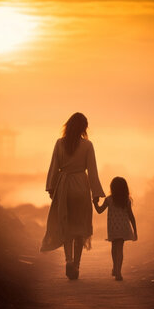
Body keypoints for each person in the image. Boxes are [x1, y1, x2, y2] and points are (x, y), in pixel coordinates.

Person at [40, 112, 105, 280]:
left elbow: (54, 167)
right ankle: (76, 265)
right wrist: (96, 193)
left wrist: (51, 188)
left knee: (66, 225)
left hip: (64, 187)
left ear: (68, 126)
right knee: (80, 228)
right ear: (84, 128)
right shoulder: (88, 145)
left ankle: (68, 260)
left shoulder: (59, 143)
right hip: (81, 188)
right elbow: (92, 171)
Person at [93, 177, 137, 281]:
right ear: (125, 188)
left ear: (112, 188)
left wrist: (95, 202)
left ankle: (115, 268)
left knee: (114, 248)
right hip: (123, 228)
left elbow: (99, 210)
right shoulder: (126, 200)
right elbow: (131, 216)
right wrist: (135, 231)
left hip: (113, 229)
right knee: (120, 249)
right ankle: (118, 272)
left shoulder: (109, 199)